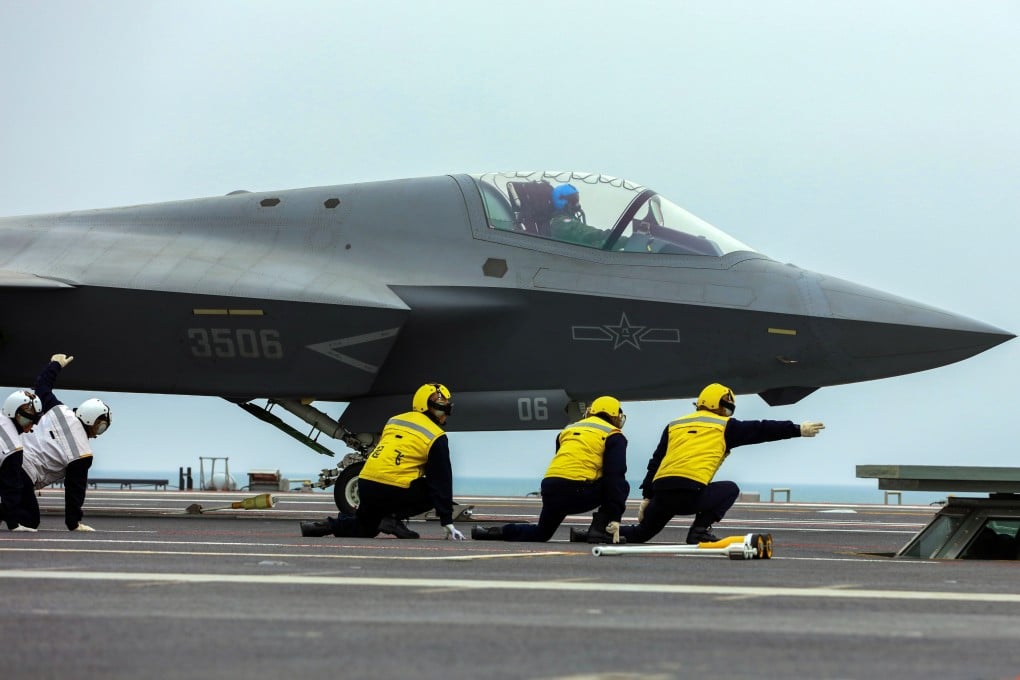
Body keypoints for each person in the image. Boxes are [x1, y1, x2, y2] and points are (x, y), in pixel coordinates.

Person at [619, 383, 824, 545]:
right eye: (727, 408)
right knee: (730, 489)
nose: (728, 413)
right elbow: (762, 429)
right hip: (690, 494)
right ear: (717, 405)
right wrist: (797, 429)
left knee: (640, 534)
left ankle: (602, 529)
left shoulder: (675, 425)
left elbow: (655, 462)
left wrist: (647, 496)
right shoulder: (724, 426)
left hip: (662, 493)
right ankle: (699, 532)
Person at [301, 383, 466, 541]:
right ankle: (392, 517)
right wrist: (447, 522)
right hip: (394, 488)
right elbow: (441, 480)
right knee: (433, 489)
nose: (445, 413)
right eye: (441, 409)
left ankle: (321, 527)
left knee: (367, 527)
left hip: (366, 482)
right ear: (426, 406)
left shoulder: (394, 420)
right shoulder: (436, 436)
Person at [471, 396, 630, 544]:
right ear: (616, 416)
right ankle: (600, 530)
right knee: (621, 486)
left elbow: (564, 461)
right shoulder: (613, 435)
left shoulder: (568, 430)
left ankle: (489, 532)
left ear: (590, 412)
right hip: (577, 492)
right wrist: (615, 517)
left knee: (541, 533)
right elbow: (615, 476)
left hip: (551, 489)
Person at [16, 354, 111, 532]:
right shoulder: (82, 453)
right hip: (24, 472)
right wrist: (73, 523)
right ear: (91, 419)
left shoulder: (60, 410)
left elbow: (42, 386)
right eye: (101, 428)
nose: (98, 435)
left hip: (9, 453)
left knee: (15, 502)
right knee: (29, 519)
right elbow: (74, 489)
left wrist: (55, 365)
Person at [0, 389, 43, 531]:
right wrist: (14, 525)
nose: (32, 424)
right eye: (29, 417)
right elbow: (11, 490)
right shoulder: (14, 448)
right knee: (31, 518)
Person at [547, 184, 626, 249]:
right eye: (573, 200)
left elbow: (592, 245)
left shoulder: (569, 221)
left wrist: (618, 242)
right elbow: (585, 232)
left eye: (577, 200)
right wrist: (608, 235)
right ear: (560, 201)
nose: (577, 204)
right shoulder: (560, 223)